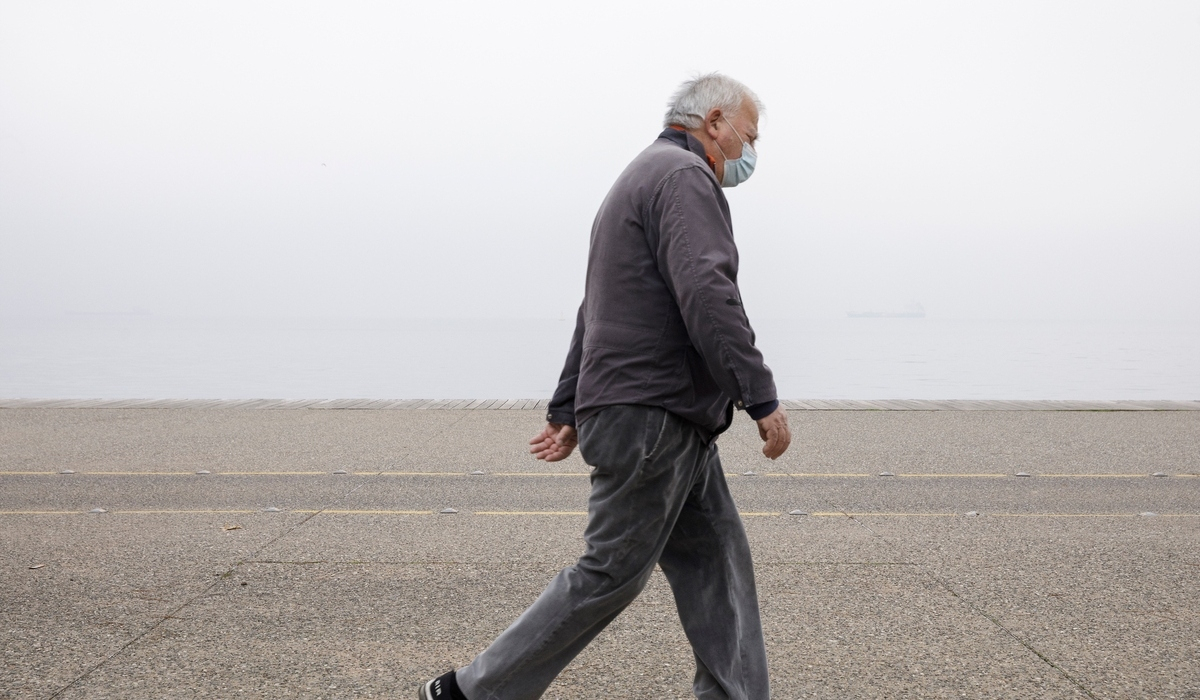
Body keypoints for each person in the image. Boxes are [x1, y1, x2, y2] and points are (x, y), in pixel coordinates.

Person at [419, 73, 791, 700]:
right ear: (716, 121)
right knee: (610, 571)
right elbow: (707, 291)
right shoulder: (682, 177)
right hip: (655, 414)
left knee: (716, 561)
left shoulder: (638, 177)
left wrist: (568, 405)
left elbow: (595, 307)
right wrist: (761, 395)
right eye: (750, 137)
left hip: (666, 414)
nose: (752, 153)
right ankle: (469, 693)